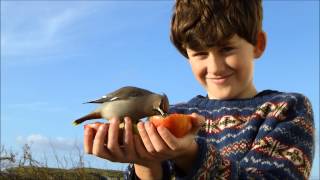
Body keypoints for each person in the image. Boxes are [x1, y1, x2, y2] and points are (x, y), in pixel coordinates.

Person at [83, 0, 315, 179]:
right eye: (201, 53)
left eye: (226, 49)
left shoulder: (287, 110)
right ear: (187, 56)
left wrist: (191, 155)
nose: (215, 66)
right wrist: (146, 162)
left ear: (258, 44)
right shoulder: (172, 114)